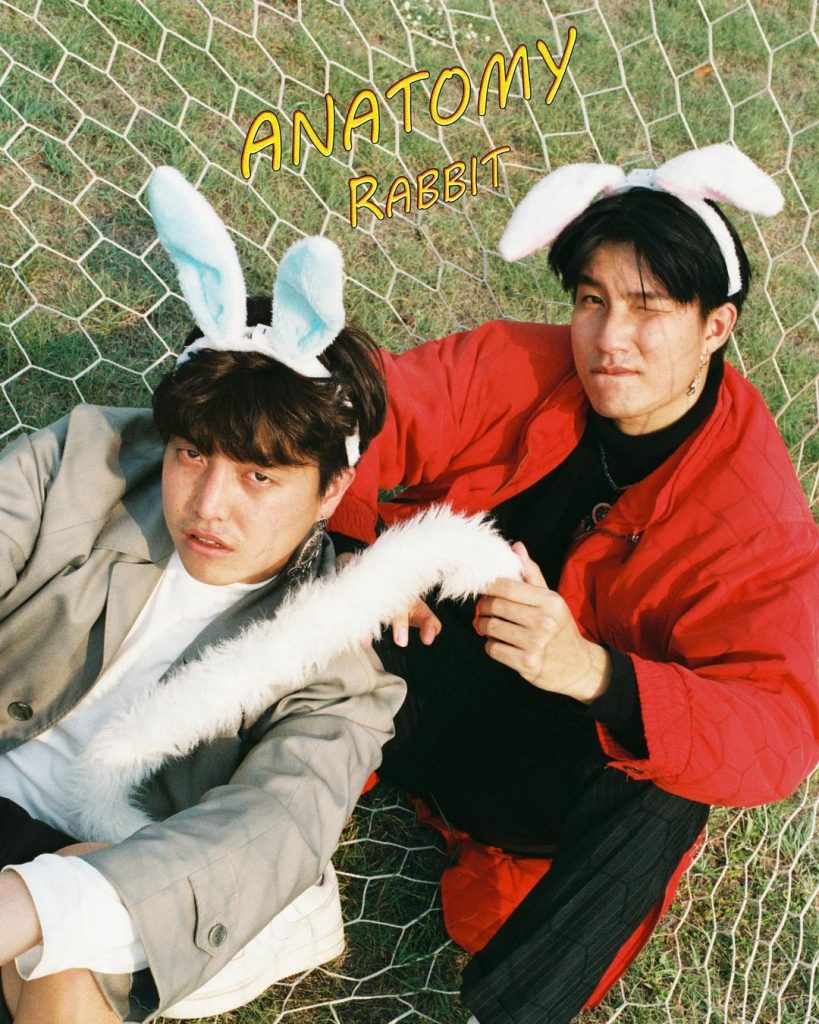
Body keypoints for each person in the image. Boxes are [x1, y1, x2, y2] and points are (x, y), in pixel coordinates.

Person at [0, 165, 507, 1024]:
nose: (208, 505)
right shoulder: (80, 463)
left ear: (332, 490)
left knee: (64, 941)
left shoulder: (340, 670)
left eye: (260, 476)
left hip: (97, 857)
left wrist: (29, 901)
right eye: (192, 453)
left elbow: (271, 827)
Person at [330, 145, 819, 1024]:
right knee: (282, 537)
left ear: (716, 326)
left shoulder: (756, 515)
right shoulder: (520, 362)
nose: (608, 337)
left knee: (671, 787)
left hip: (546, 762)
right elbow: (357, 413)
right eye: (592, 300)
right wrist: (355, 559)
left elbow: (776, 732)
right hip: (412, 672)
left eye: (648, 307)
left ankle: (511, 1013)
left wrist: (592, 672)